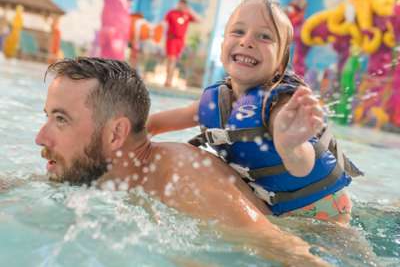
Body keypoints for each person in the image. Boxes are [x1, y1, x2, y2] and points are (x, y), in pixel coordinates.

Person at [35, 57, 326, 266]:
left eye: (61, 120)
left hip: (322, 233)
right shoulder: (98, 169)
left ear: (116, 134)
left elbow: (289, 252)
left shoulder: (186, 180)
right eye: (47, 116)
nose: (40, 137)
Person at [147, 0, 363, 224]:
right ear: (222, 47)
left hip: (325, 214)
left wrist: (290, 146)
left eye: (265, 37)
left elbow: (302, 164)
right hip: (272, 209)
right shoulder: (215, 101)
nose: (247, 41)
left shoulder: (280, 104)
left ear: (281, 63)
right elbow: (153, 125)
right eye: (238, 32)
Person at [164, 0, 201, 87]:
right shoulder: (172, 13)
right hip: (171, 39)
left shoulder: (187, 14)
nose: (180, 6)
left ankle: (169, 79)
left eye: (183, 4)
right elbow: (164, 24)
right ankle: (168, 80)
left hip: (180, 41)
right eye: (179, 4)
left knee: (173, 60)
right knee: (171, 59)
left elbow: (199, 20)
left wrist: (190, 10)